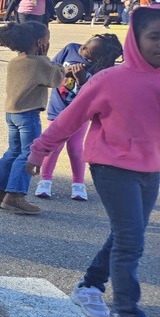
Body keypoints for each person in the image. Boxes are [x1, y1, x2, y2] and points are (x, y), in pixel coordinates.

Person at [28, 4, 160, 317]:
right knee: (131, 240)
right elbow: (69, 120)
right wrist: (39, 152)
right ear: (136, 38)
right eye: (154, 37)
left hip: (150, 170)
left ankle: (89, 286)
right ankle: (129, 315)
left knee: (125, 233)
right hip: (112, 168)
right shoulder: (110, 80)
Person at [33, 34, 123, 201]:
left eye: (88, 50)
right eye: (86, 43)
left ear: (97, 58)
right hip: (58, 109)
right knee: (53, 147)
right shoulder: (71, 48)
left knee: (75, 148)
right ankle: (45, 180)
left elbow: (92, 97)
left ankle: (78, 183)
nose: (83, 48)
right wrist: (63, 72)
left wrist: (82, 80)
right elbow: (50, 69)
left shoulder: (100, 70)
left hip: (81, 114)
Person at [0, 21, 64, 215]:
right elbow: (56, 79)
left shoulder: (16, 61)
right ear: (40, 42)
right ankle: (15, 196)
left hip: (12, 113)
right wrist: (47, 57)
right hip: (29, 114)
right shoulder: (39, 62)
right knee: (28, 154)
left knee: (13, 151)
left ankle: (0, 191)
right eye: (47, 39)